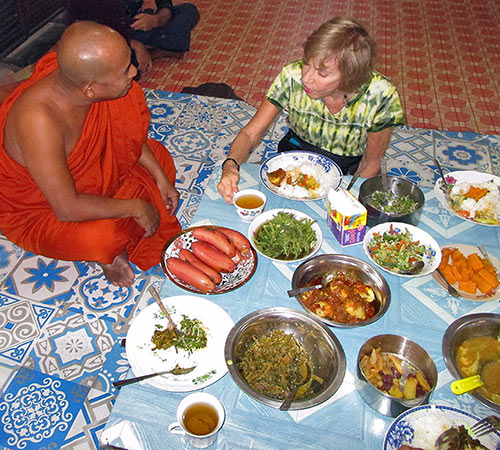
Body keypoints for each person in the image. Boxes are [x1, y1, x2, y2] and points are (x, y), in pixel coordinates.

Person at [0, 21, 181, 287]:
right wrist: (136, 207)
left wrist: (160, 177)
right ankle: (104, 253)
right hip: (42, 209)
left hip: (94, 183)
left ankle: (121, 219)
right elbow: (66, 208)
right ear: (89, 89)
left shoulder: (83, 83)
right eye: (124, 72)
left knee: (159, 157)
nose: (134, 71)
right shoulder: (38, 121)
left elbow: (125, 135)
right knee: (105, 238)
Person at [217, 16, 405, 203]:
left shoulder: (381, 94)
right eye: (306, 63)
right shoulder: (291, 76)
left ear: (350, 77)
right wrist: (230, 165)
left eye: (322, 73)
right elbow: (250, 134)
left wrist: (343, 201)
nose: (306, 78)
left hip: (350, 166)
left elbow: (370, 162)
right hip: (295, 153)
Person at [65, 0, 200, 74]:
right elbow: (96, 29)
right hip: (100, 37)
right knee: (117, 69)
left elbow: (165, 4)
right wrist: (134, 44)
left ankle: (146, 51)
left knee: (188, 10)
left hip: (134, 25)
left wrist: (157, 19)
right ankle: (155, 52)